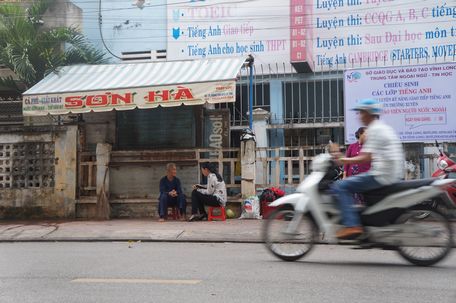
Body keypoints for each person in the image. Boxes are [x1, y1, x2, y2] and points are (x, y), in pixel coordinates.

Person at [331, 98, 404, 239]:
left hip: (381, 175)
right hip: (389, 173)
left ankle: (352, 225)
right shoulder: (383, 128)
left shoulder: (375, 130)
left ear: (369, 113)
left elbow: (365, 157)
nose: (359, 116)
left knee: (340, 186)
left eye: (361, 113)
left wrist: (342, 160)